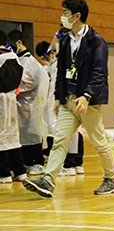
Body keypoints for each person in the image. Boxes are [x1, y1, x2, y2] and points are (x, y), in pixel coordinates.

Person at [23, 0, 114, 197]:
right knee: (60, 140)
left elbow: (99, 72)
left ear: (77, 16)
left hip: (87, 102)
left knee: (98, 141)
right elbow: (61, 71)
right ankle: (48, 180)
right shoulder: (65, 40)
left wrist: (87, 96)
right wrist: (58, 97)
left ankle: (111, 179)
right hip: (68, 100)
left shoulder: (96, 41)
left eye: (65, 12)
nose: (62, 16)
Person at [36, 40, 84, 176]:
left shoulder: (59, 65)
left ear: (52, 53)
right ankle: (75, 163)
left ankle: (70, 163)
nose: (45, 61)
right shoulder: (54, 65)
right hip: (67, 100)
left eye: (46, 57)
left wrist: (57, 102)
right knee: (73, 132)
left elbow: (56, 88)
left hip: (64, 101)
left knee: (65, 133)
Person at [7, 30, 49, 176]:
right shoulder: (18, 60)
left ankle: (35, 163)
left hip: (29, 107)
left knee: (31, 137)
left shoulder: (30, 62)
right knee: (21, 138)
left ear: (19, 43)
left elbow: (24, 83)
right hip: (19, 107)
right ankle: (25, 163)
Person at [0, 31, 27, 183]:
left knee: (1, 137)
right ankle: (20, 171)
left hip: (1, 99)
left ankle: (4, 174)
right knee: (13, 136)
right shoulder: (15, 57)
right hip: (12, 98)